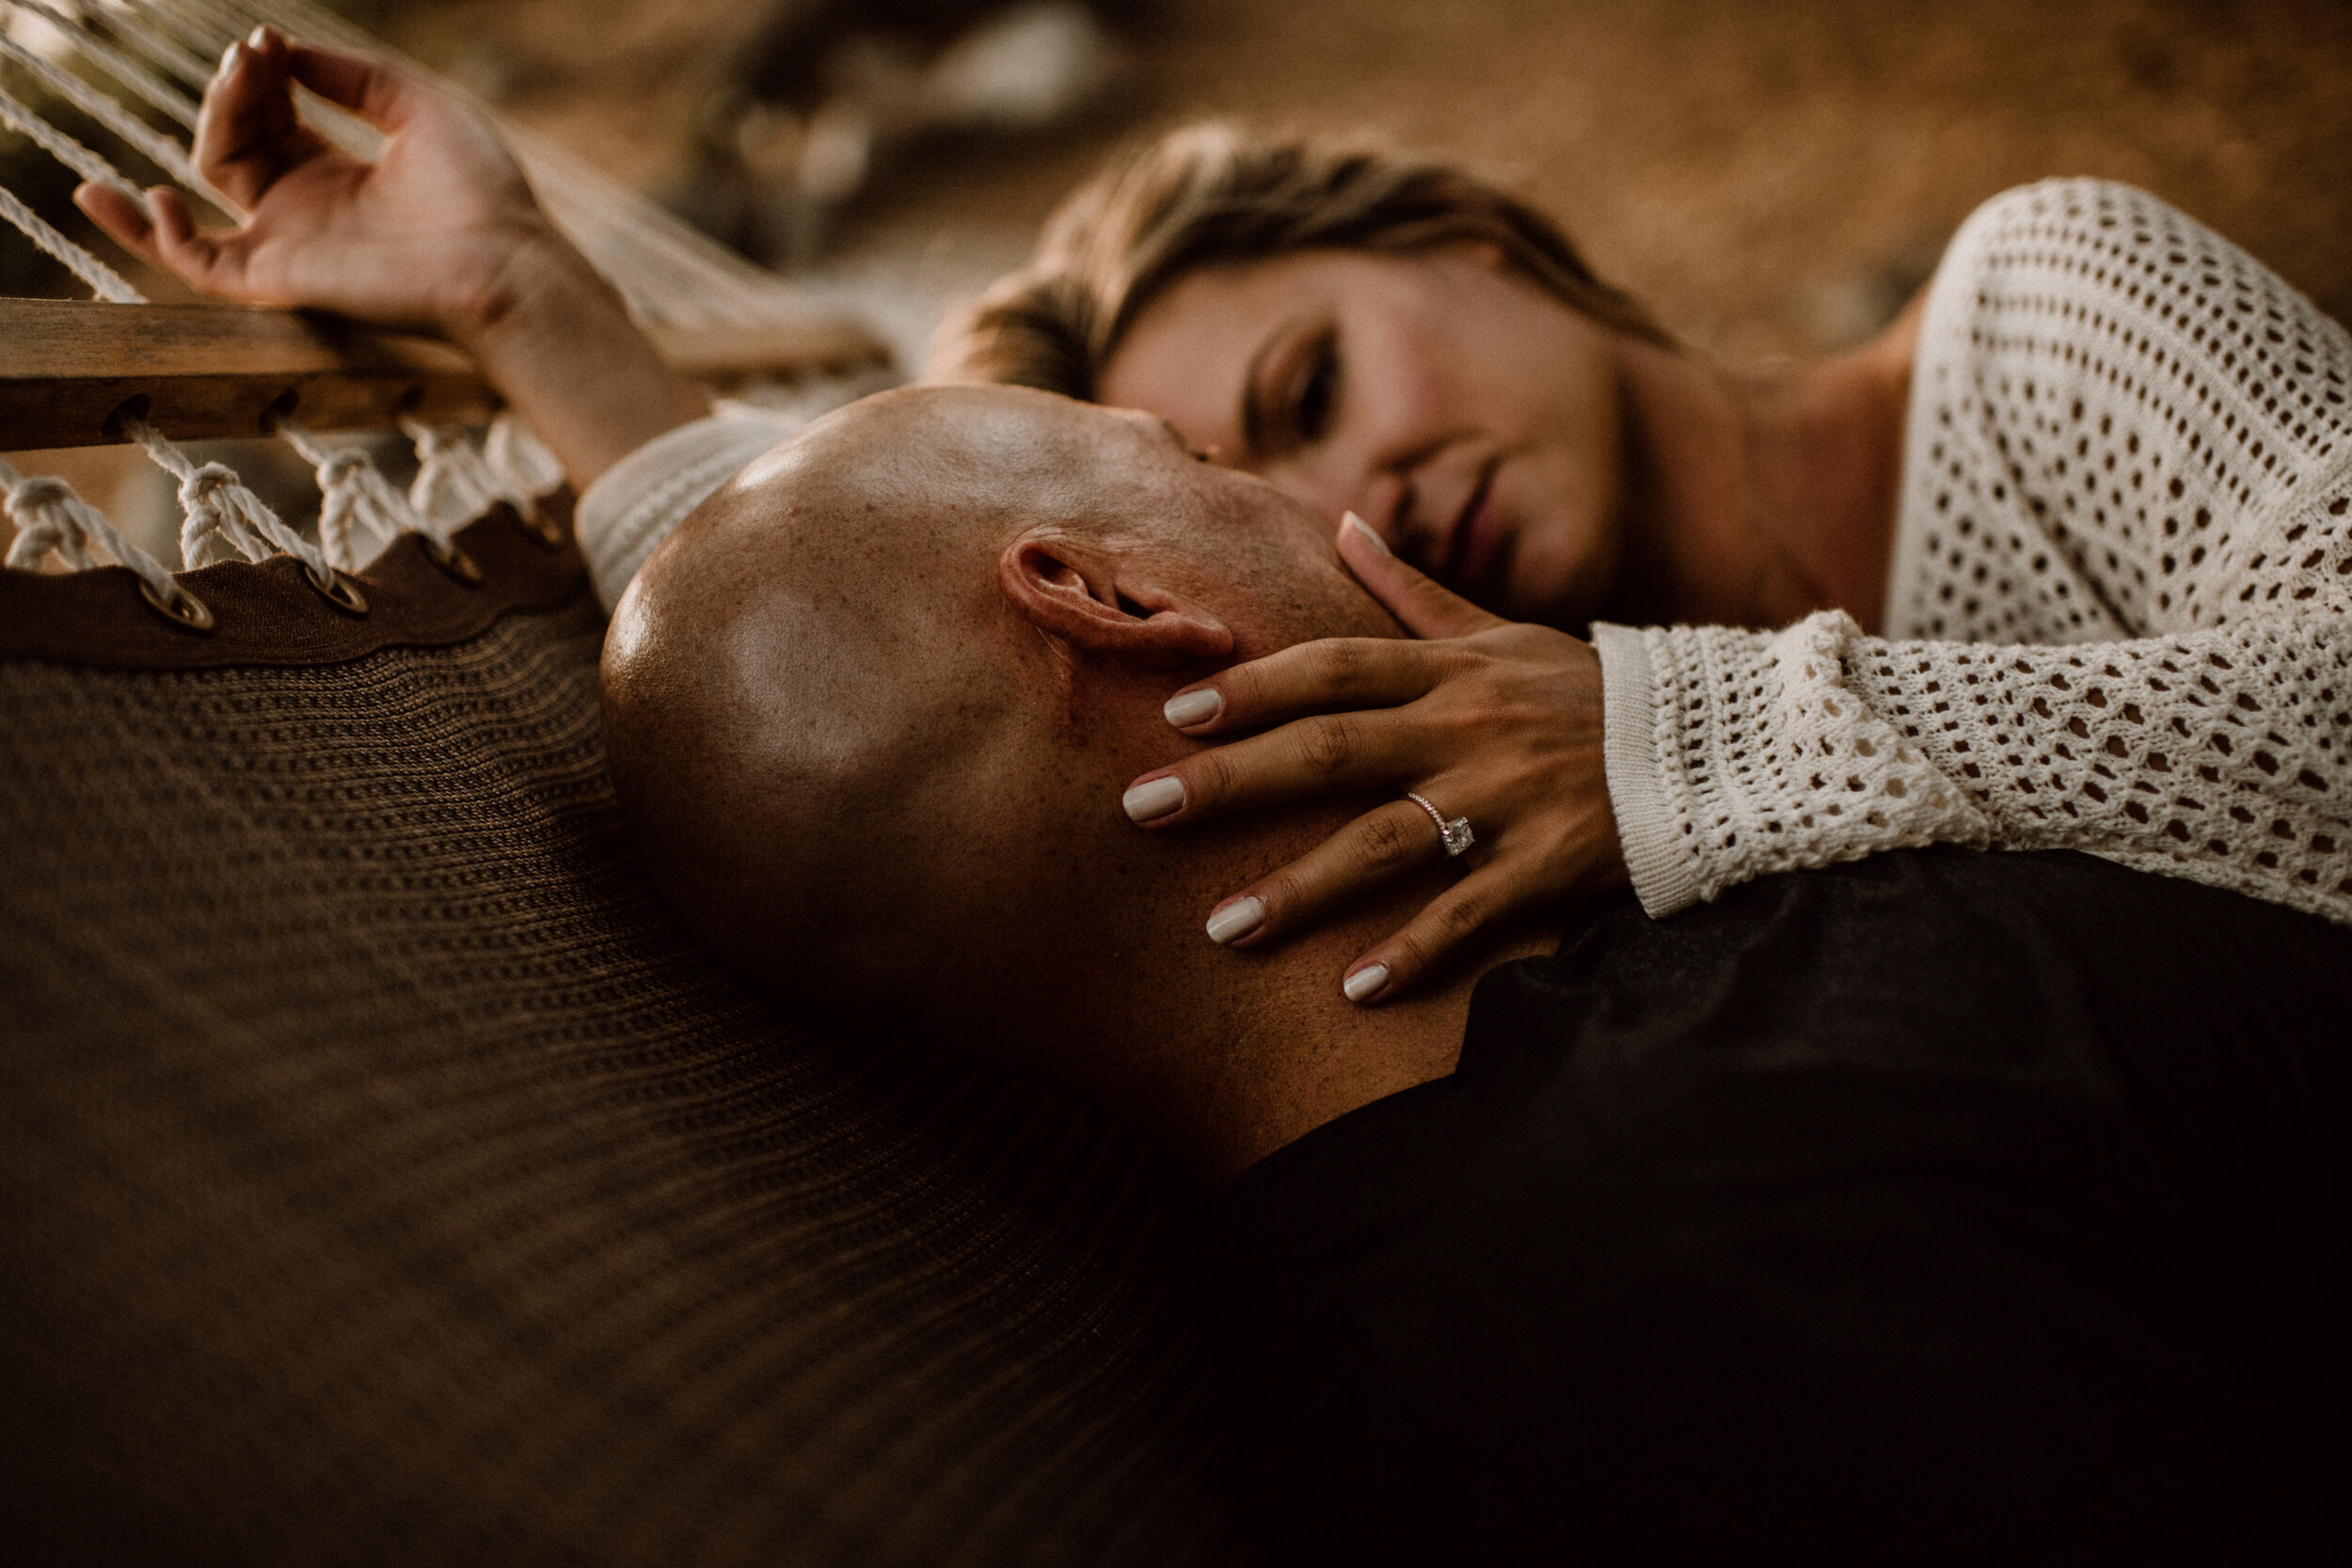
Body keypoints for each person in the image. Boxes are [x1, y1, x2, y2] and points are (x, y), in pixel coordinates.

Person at [84, 34, 2352, 1013]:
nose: (1364, 503)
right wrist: (521, 299)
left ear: (1467, 239)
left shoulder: (2046, 308)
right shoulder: (1501, 778)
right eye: (1275, 492)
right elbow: (884, 628)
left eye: (1309, 386)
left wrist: (1674, 747)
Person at [598, 379, 2347, 1560]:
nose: (1314, 497)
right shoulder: (1662, 1273)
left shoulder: (1580, 1099)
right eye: (1206, 464)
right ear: (1108, 602)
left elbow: (807, 660)